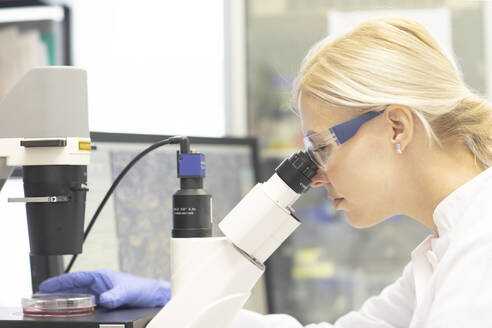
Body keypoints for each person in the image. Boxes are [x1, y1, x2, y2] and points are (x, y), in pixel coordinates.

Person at [41, 16, 492, 327]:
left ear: (397, 126)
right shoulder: (449, 243)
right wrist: (176, 299)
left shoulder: (480, 245)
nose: (315, 176)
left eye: (321, 147)